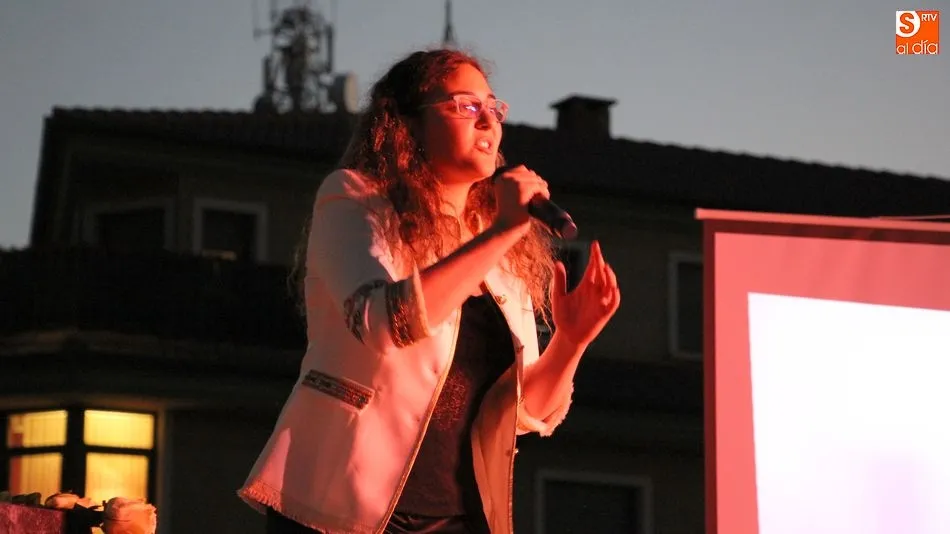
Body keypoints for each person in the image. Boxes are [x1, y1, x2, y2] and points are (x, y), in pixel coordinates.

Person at [237, 48, 621, 534]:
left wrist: (572, 339)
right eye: (465, 105)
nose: (487, 120)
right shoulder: (355, 200)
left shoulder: (498, 246)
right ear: (408, 126)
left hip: (461, 516)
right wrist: (503, 232)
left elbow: (523, 412)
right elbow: (383, 322)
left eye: (493, 107)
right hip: (344, 509)